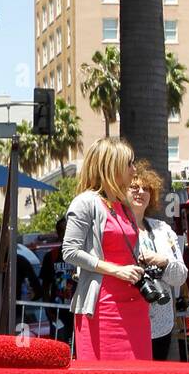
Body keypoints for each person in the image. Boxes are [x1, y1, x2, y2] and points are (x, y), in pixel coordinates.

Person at [63, 137, 151, 361]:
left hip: (135, 305)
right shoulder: (85, 202)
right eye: (129, 163)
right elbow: (70, 252)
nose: (134, 169)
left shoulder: (125, 206)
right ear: (112, 166)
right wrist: (116, 270)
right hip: (103, 307)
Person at [125, 162, 188, 362]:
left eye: (146, 189)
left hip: (161, 323)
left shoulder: (162, 229)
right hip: (127, 321)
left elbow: (181, 276)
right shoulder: (114, 228)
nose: (141, 192)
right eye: (134, 187)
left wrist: (163, 261)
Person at [38, 216, 75, 345]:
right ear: (58, 234)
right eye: (61, 231)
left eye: (68, 230)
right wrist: (48, 311)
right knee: (60, 345)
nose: (65, 234)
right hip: (58, 311)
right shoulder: (51, 256)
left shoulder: (82, 256)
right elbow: (45, 286)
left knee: (78, 348)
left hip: (77, 310)